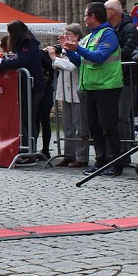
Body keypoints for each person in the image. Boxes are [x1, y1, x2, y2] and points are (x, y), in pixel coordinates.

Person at [60, 2, 123, 176]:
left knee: (108, 128)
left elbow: (100, 57)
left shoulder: (109, 34)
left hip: (107, 86)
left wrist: (77, 48)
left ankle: (115, 163)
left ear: (93, 17)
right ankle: (101, 161)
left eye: (86, 15)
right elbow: (81, 62)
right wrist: (70, 51)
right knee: (94, 127)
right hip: (90, 87)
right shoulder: (89, 37)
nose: (84, 19)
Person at [0, 20, 46, 152]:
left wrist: (2, 64)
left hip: (32, 86)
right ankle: (28, 148)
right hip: (26, 85)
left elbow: (23, 61)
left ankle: (28, 149)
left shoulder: (28, 42)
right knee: (25, 118)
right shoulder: (24, 41)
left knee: (27, 118)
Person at [104, 0, 138, 169]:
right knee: (113, 117)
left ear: (112, 11)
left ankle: (125, 152)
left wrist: (108, 53)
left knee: (122, 116)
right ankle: (115, 151)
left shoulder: (128, 28)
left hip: (126, 77)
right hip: (112, 77)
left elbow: (129, 51)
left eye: (105, 10)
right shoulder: (109, 28)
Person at [47, 24, 89, 168]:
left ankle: (81, 156)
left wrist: (55, 58)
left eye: (68, 33)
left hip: (77, 90)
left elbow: (73, 65)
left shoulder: (81, 47)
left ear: (76, 36)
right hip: (66, 91)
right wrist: (57, 59)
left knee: (79, 126)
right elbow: (58, 65)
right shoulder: (67, 50)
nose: (65, 36)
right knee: (68, 126)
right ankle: (68, 155)